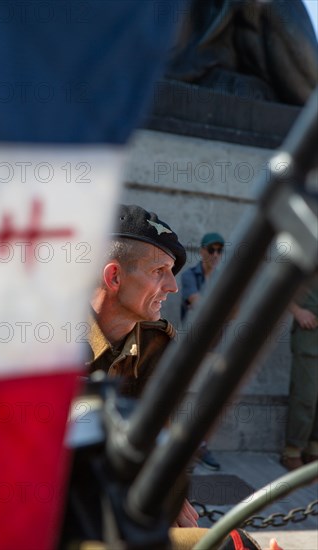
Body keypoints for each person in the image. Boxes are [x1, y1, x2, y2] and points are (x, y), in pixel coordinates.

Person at [86, 204, 283, 550]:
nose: (172, 286)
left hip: (118, 507)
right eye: (159, 270)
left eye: (172, 271)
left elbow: (157, 438)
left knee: (232, 543)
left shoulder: (154, 343)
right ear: (114, 277)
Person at [180, 232, 225, 471]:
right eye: (212, 249)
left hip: (217, 347)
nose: (216, 255)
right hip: (194, 348)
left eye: (220, 250)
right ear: (202, 251)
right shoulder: (190, 276)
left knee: (210, 399)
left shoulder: (224, 279)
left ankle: (202, 445)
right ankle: (185, 447)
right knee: (188, 398)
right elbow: (196, 303)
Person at [281, 276, 318, 471]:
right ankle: (292, 450)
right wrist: (298, 312)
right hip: (309, 337)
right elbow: (283, 285)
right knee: (306, 394)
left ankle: (314, 450)